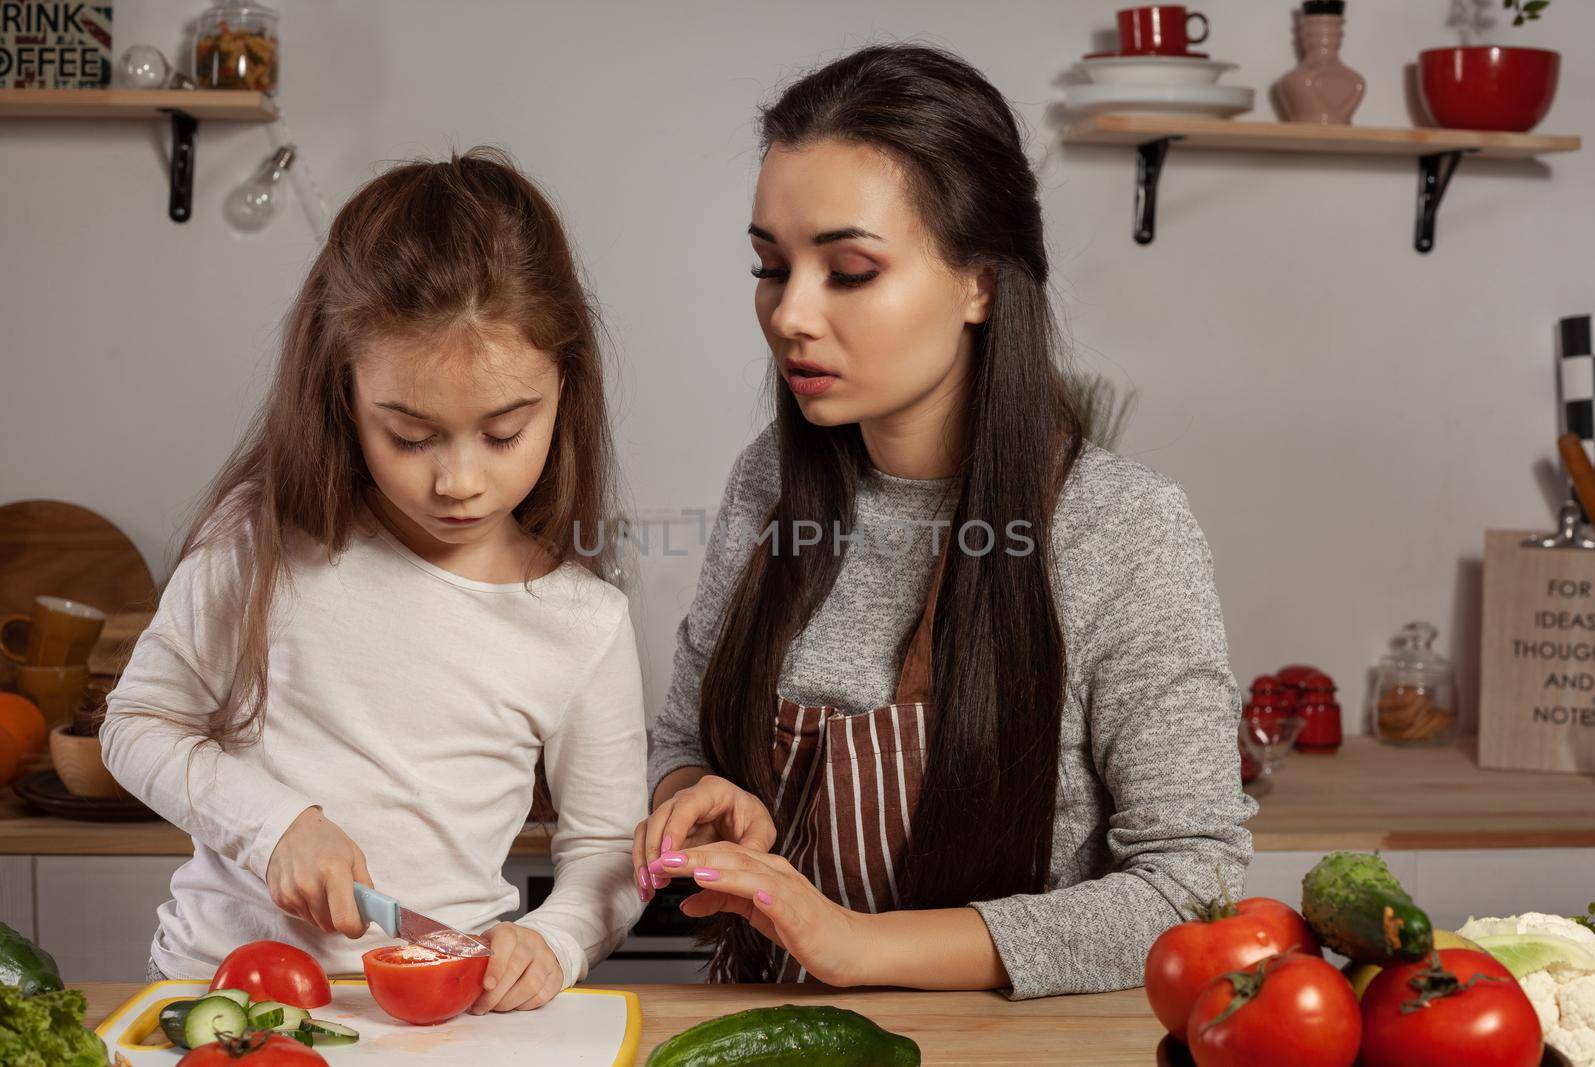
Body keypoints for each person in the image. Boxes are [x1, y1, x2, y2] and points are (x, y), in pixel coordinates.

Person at [636, 45, 1255, 999]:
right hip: (770, 1025)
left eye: (848, 270)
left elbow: (1192, 888)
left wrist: (858, 946)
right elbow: (680, 738)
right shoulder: (767, 481)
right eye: (770, 266)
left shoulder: (1119, 527)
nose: (790, 313)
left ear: (982, 283)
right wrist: (697, 798)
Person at [103, 148, 645, 1013]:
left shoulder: (584, 621)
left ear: (564, 388)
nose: (459, 481)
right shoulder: (262, 540)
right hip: (221, 989)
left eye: (504, 433)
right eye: (411, 434)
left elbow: (608, 856)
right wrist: (275, 821)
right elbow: (136, 724)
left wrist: (557, 939)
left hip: (442, 1007)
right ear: (342, 393)